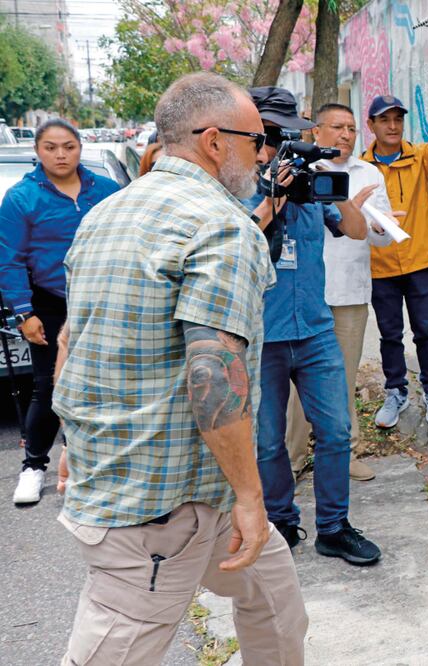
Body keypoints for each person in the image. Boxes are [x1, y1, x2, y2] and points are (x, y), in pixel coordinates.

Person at [51, 72, 307, 664]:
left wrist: (75, 434)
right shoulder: (223, 226)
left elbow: (78, 336)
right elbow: (214, 371)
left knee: (276, 606)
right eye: (256, 138)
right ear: (215, 141)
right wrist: (251, 492)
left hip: (199, 488)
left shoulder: (106, 213)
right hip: (159, 508)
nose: (264, 153)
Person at [246, 86, 383, 565]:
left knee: (337, 429)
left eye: (289, 133)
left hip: (315, 328)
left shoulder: (308, 184)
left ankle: (334, 526)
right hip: (262, 334)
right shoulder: (236, 187)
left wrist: (336, 186)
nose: (281, 142)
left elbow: (355, 230)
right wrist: (270, 196)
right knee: (268, 439)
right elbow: (238, 244)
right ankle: (280, 520)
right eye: (272, 134)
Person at [0, 119, 120, 505]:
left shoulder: (107, 190)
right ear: (38, 151)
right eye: (51, 147)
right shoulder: (21, 198)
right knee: (50, 387)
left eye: (68, 146)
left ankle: (96, 465)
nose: (60, 154)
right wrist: (24, 313)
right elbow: (10, 261)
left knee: (105, 385)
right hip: (49, 304)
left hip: (103, 299)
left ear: (79, 147)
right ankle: (34, 466)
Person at [363, 92, 428, 429]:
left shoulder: (419, 156)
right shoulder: (362, 168)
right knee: (390, 333)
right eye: (384, 119)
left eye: (397, 119)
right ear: (372, 125)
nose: (392, 126)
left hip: (419, 260)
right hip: (380, 265)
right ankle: (395, 391)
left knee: (425, 329)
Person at [312, 101, 394, 481]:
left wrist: (379, 228)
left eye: (350, 128)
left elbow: (381, 238)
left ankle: (346, 452)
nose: (345, 135)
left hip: (350, 292)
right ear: (316, 132)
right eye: (336, 127)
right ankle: (295, 454)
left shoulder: (369, 174)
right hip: (306, 293)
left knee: (342, 377)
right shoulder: (302, 171)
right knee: (297, 384)